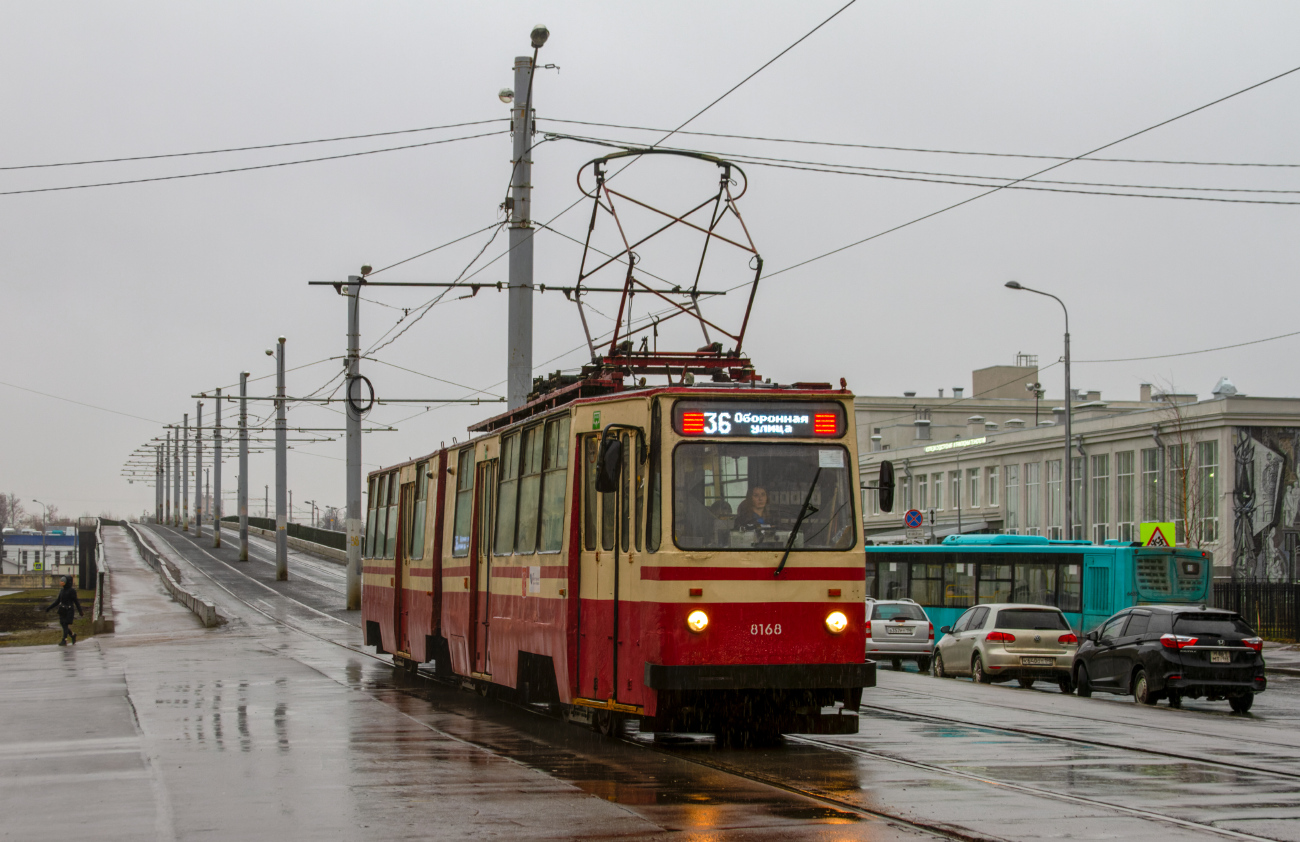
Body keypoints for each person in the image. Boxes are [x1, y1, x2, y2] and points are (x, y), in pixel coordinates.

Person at [45, 576, 83, 646]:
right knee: (63, 624)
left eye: (63, 581)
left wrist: (80, 611)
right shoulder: (62, 591)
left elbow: (76, 601)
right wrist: (49, 607)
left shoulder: (72, 591)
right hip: (62, 610)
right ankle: (72, 635)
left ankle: (64, 640)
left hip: (69, 610)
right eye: (61, 581)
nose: (61, 582)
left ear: (66, 582)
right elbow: (57, 601)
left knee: (65, 624)